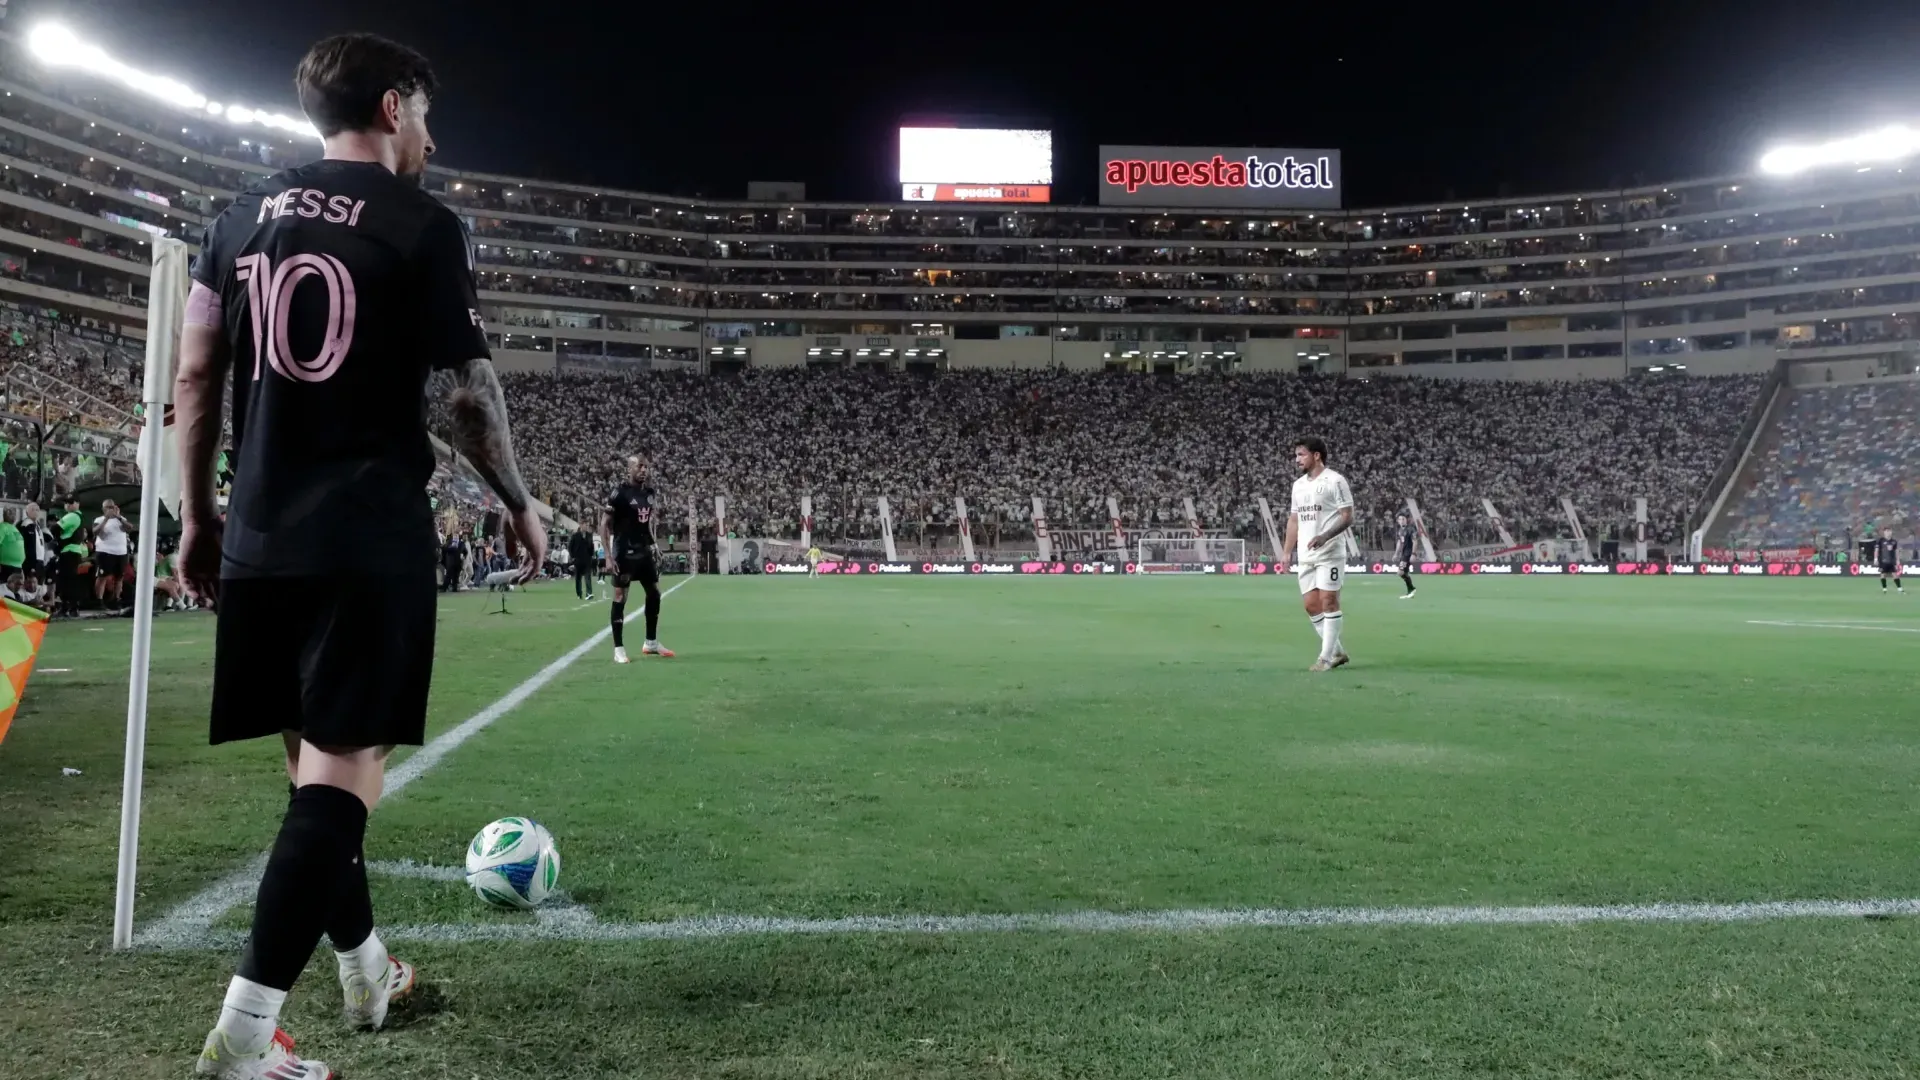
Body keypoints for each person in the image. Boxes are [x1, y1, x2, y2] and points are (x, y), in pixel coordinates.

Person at [173, 33, 544, 1080]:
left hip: (256, 534)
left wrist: (197, 519)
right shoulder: (423, 225)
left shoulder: (234, 220)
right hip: (364, 534)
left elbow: (197, 380)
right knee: (342, 781)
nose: (430, 135)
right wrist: (517, 504)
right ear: (393, 107)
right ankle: (244, 1039)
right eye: (426, 114)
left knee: (309, 775)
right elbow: (470, 395)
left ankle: (368, 968)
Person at [1282, 436, 1354, 672]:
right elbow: (1294, 520)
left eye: (1301, 454)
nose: (1296, 459)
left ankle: (1325, 659)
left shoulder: (1335, 481)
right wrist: (1286, 552)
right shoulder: (1298, 485)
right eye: (1296, 455)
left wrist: (1325, 536)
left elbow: (1347, 516)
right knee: (1311, 606)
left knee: (1329, 602)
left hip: (1330, 552)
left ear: (1316, 455)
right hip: (1306, 554)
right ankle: (1338, 652)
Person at [599, 454, 673, 663]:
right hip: (624, 552)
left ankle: (650, 642)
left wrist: (654, 544)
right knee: (621, 597)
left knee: (654, 593)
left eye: (646, 467)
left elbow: (646, 523)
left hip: (644, 551)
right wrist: (607, 556)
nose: (643, 470)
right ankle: (618, 648)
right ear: (629, 469)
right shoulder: (619, 493)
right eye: (639, 466)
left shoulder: (649, 493)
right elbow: (604, 523)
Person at [92, 498, 131, 613]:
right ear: (103, 509)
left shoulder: (121, 519)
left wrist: (119, 517)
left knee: (119, 577)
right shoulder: (99, 519)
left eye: (112, 507)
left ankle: (116, 600)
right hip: (105, 552)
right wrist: (106, 519)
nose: (110, 509)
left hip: (121, 552)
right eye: (108, 507)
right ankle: (99, 600)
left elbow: (129, 528)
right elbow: (95, 532)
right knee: (102, 577)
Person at [54, 494, 87, 617]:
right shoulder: (79, 516)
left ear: (77, 503)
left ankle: (67, 607)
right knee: (70, 580)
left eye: (71, 502)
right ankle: (71, 607)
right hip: (73, 551)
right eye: (66, 502)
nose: (68, 505)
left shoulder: (72, 516)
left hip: (68, 551)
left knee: (65, 581)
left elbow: (55, 528)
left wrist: (57, 540)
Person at [1392, 512, 1418, 599]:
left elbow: (1415, 541)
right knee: (1404, 572)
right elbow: (1399, 542)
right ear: (1398, 521)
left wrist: (1413, 554)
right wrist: (1396, 554)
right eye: (1400, 519)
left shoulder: (1411, 529)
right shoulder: (1400, 531)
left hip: (1408, 553)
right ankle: (1410, 591)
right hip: (1404, 553)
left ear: (1406, 520)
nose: (1402, 521)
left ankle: (1412, 589)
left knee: (1400, 572)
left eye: (1403, 519)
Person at [568, 523, 595, 600]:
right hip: (578, 559)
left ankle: (589, 593)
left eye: (587, 525)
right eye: (585, 525)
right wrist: (572, 556)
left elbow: (591, 546)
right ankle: (579, 594)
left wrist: (592, 554)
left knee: (588, 577)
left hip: (587, 559)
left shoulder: (589, 535)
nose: (586, 527)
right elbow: (570, 547)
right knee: (578, 578)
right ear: (581, 526)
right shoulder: (575, 535)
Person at [1873, 525, 1903, 593]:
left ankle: (1900, 589)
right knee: (1883, 574)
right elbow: (1876, 550)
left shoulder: (1894, 541)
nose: (1888, 532)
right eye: (1886, 531)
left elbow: (1896, 551)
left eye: (1889, 531)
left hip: (1892, 561)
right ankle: (1884, 589)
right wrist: (1875, 559)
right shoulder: (1880, 540)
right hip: (1883, 561)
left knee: (1895, 574)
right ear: (1884, 532)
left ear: (1891, 532)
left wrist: (1898, 560)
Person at [0, 507, 24, 581]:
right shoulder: (2, 527)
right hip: (6, 565)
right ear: (4, 515)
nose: (13, 516)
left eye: (14, 514)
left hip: (17, 567)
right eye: (10, 513)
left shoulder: (15, 528)